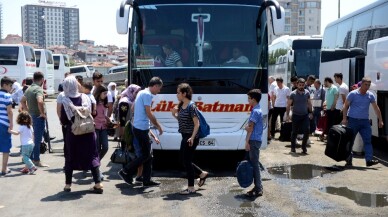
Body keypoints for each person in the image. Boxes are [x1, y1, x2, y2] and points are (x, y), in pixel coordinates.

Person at [60, 76, 103, 193]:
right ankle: (98, 184)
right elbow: (92, 113)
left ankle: (68, 185)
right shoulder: (85, 97)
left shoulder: (65, 100)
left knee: (70, 157)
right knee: (92, 155)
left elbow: (63, 120)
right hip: (88, 132)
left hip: (73, 133)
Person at [118, 77, 163, 187]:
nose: (159, 91)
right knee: (146, 155)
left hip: (138, 127)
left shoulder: (141, 92)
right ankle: (125, 171)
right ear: (155, 86)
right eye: (159, 88)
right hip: (141, 128)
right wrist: (158, 126)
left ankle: (146, 180)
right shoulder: (147, 95)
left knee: (148, 155)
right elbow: (149, 113)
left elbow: (133, 108)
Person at [171, 83, 209, 195]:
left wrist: (192, 137)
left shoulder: (191, 106)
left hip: (190, 137)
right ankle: (202, 174)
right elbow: (182, 121)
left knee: (186, 161)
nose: (177, 94)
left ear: (184, 93)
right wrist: (174, 115)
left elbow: (196, 124)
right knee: (183, 160)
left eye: (178, 92)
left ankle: (191, 187)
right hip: (184, 135)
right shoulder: (181, 105)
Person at [342, 77, 384, 167]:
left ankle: (369, 160)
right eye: (366, 84)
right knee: (350, 140)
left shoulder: (370, 95)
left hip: (365, 122)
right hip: (353, 120)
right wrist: (344, 119)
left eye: (369, 85)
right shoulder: (353, 94)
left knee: (368, 141)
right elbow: (345, 106)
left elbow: (376, 108)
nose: (367, 86)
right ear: (362, 84)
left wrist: (380, 120)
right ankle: (348, 159)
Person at [20, 72, 49, 167]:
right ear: (42, 80)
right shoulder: (38, 89)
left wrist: (27, 110)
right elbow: (40, 101)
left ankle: (31, 158)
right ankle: (36, 160)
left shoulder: (29, 89)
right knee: (37, 140)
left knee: (32, 139)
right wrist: (42, 113)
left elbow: (22, 100)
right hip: (38, 117)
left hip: (31, 116)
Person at [244, 89, 263, 197]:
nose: (248, 101)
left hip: (254, 140)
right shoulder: (257, 110)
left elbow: (250, 128)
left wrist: (247, 142)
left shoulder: (255, 111)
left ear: (254, 99)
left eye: (249, 98)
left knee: (255, 165)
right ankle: (257, 186)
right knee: (254, 164)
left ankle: (258, 188)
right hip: (256, 139)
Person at [286, 78, 313, 154]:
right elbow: (288, 105)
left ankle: (303, 147)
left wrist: (310, 112)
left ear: (304, 85)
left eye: (303, 85)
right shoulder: (293, 94)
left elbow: (309, 103)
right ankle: (293, 147)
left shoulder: (307, 93)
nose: (301, 86)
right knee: (294, 132)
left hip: (305, 115)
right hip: (296, 115)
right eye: (300, 85)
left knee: (307, 130)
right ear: (297, 85)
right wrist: (287, 115)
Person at [93, 85, 110, 180]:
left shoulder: (105, 102)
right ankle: (97, 170)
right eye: (104, 93)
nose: (106, 95)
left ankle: (95, 164)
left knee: (106, 147)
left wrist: (110, 121)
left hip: (103, 127)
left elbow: (105, 115)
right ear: (99, 93)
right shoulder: (94, 102)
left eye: (106, 93)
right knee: (97, 149)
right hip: (95, 127)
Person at [0, 76, 14, 176]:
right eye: (10, 86)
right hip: (4, 124)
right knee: (5, 147)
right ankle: (4, 169)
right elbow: (10, 111)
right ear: (4, 85)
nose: (10, 88)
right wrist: (11, 123)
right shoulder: (7, 96)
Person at [321, 77, 339, 141]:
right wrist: (325, 102)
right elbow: (327, 98)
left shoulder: (334, 88)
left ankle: (331, 137)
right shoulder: (328, 89)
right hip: (328, 109)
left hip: (332, 109)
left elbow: (336, 98)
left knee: (332, 123)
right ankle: (328, 136)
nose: (324, 84)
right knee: (328, 123)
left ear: (327, 81)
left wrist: (333, 106)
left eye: (325, 82)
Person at [268, 76, 277, 140]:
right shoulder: (277, 83)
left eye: (269, 80)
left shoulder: (272, 84)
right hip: (278, 104)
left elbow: (271, 95)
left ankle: (270, 133)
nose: (269, 81)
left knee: (270, 120)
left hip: (272, 104)